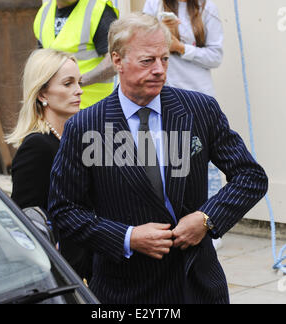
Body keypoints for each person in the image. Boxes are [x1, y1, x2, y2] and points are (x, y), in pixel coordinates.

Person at [48, 13, 268, 304]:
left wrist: (206, 218)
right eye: (147, 61)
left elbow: (251, 177)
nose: (159, 70)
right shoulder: (86, 126)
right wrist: (127, 237)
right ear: (117, 61)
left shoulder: (199, 110)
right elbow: (64, 210)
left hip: (196, 285)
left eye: (164, 59)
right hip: (126, 291)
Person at [144, 0, 224, 249]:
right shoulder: (153, 4)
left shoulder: (206, 7)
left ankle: (210, 223)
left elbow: (215, 56)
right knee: (164, 159)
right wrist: (160, 31)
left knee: (204, 160)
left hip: (197, 94)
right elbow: (141, 42)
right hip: (163, 96)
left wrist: (179, 47)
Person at [6, 48, 93, 281]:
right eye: (68, 84)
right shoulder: (37, 147)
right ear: (43, 93)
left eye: (79, 82)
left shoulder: (75, 139)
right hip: (62, 274)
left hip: (88, 268)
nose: (79, 91)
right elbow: (26, 222)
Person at [34, 0, 119, 109]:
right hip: (57, 111)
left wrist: (76, 83)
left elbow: (114, 62)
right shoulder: (44, 12)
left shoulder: (98, 10)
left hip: (94, 110)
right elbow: (41, 61)